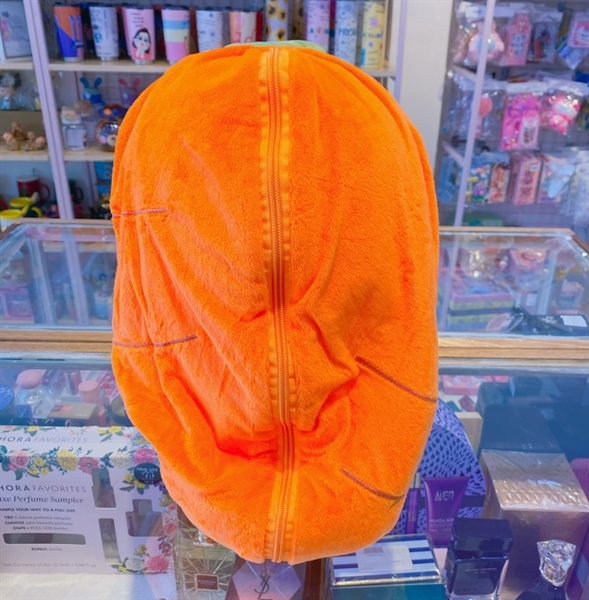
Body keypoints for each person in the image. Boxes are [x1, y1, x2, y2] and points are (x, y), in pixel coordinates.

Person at [111, 41, 439, 565]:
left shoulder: (166, 111)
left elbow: (142, 301)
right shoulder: (370, 115)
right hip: (367, 486)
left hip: (215, 486)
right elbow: (406, 295)